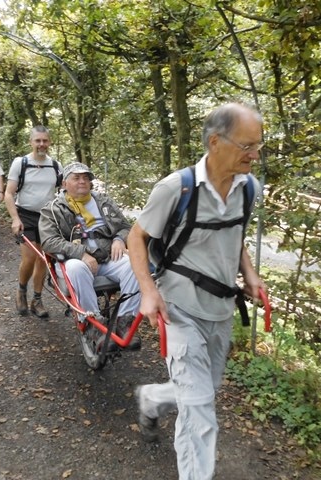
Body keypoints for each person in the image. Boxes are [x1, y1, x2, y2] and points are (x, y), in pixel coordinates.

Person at [126, 102, 266, 479]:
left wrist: (250, 275)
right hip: (179, 308)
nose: (255, 154)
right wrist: (148, 290)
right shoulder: (176, 188)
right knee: (200, 407)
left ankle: (152, 397)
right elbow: (136, 237)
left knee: (208, 386)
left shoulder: (249, 188)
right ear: (216, 141)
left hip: (220, 310)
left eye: (259, 146)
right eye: (248, 146)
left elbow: (234, 239)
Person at [38, 162, 141, 350]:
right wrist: (81, 253)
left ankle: (125, 321)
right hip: (75, 261)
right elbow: (48, 241)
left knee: (135, 265)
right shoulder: (52, 209)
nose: (82, 181)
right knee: (76, 267)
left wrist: (119, 238)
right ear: (64, 184)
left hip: (108, 257)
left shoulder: (104, 201)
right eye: (76, 178)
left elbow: (126, 227)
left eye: (86, 178)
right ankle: (93, 324)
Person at [4, 125, 61, 319]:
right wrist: (15, 219)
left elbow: (63, 193)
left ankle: (37, 299)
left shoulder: (55, 165)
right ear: (31, 142)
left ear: (49, 142)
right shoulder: (21, 163)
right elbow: (9, 194)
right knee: (29, 258)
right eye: (38, 140)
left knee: (43, 259)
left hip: (48, 216)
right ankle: (21, 291)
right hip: (26, 214)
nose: (41, 144)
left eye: (45, 140)